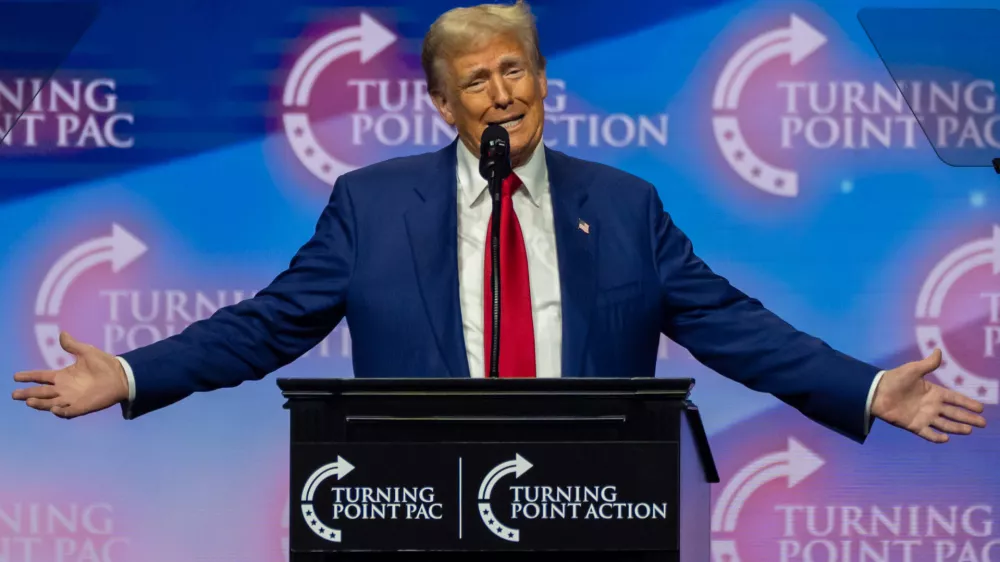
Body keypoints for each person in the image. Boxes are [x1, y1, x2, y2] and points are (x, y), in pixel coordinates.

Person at [11, 0, 986, 444]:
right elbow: (265, 325)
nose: (501, 90)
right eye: (476, 79)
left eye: (515, 67)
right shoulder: (372, 205)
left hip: (596, 510)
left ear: (544, 83)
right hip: (417, 511)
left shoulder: (626, 204)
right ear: (444, 107)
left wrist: (864, 390)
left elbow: (733, 326)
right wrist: (131, 372)